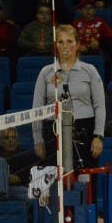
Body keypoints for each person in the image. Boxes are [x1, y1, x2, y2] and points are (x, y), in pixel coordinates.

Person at [32, 24, 106, 168]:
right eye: (61, 42)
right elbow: (37, 109)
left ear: (77, 45)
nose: (65, 46)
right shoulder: (46, 72)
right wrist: (38, 140)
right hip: (53, 131)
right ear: (56, 46)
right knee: (57, 177)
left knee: (83, 176)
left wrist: (98, 136)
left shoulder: (90, 70)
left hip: (84, 129)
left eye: (69, 41)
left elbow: (100, 106)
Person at [0, 126, 35, 201]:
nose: (10, 140)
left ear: (17, 140)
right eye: (6, 138)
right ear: (0, 141)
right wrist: (7, 178)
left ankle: (3, 197)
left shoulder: (25, 156)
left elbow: (26, 178)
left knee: (31, 193)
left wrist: (3, 176)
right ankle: (1, 196)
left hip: (16, 190)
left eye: (13, 137)